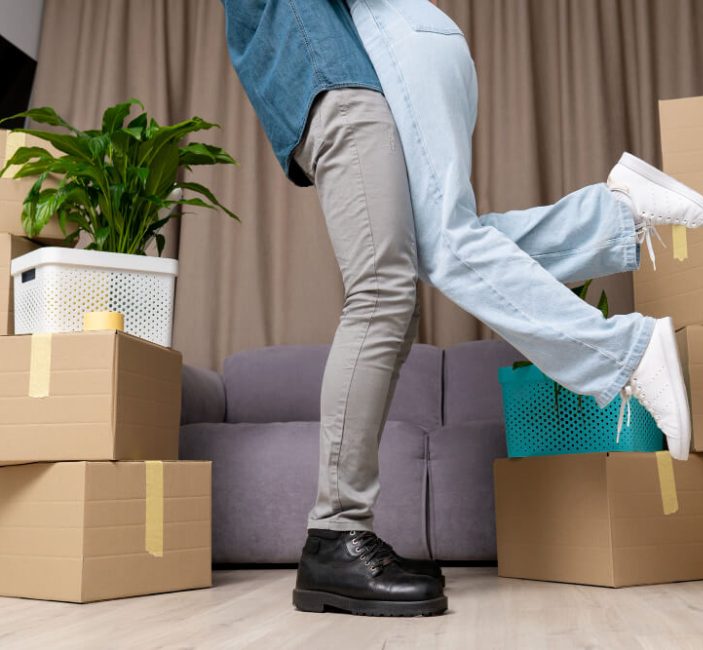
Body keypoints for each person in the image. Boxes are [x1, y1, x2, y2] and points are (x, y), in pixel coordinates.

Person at [345, 0, 703, 462]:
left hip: (393, 46)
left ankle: (625, 351)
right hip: (418, 41)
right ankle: (619, 213)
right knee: (442, 244)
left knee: (448, 243)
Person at [222, 0, 447, 617]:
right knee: (381, 294)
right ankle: (334, 535)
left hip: (342, 82)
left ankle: (342, 534)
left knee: (395, 308)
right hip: (338, 83)